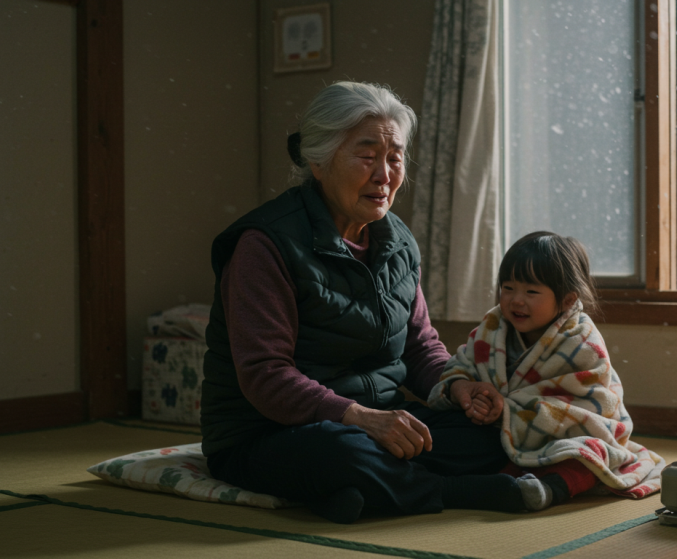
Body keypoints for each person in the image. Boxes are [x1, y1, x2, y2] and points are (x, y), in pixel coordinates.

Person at [200, 81, 543, 523]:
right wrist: (357, 418)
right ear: (318, 162)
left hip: (375, 423)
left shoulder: (397, 241)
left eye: (395, 158)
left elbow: (419, 346)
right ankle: (450, 490)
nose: (384, 175)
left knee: (496, 430)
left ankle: (359, 494)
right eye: (367, 156)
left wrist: (459, 388)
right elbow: (265, 377)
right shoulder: (264, 246)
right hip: (271, 434)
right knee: (340, 452)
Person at [428, 231, 665, 510]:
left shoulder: (581, 342)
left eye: (531, 291)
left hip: (560, 434)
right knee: (445, 437)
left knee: (587, 455)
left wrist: (507, 409)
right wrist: (465, 393)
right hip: (497, 430)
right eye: (508, 288)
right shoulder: (493, 327)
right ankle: (498, 485)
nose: (516, 300)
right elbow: (461, 365)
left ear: (566, 300)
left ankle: (547, 489)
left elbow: (587, 407)